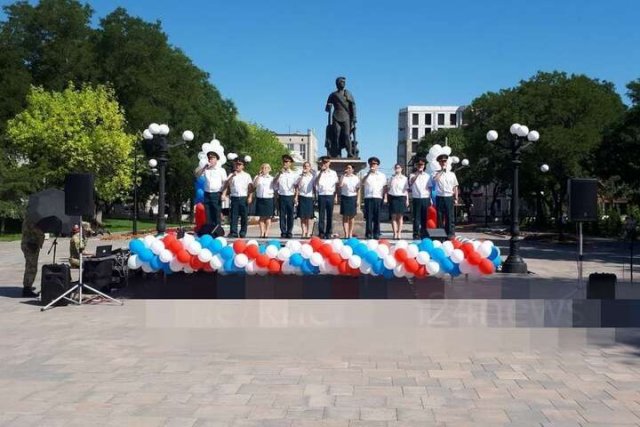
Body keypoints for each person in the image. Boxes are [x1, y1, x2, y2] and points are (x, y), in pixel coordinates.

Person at [325, 76, 357, 158]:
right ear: (337, 84)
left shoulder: (348, 94)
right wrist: (329, 106)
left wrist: (354, 117)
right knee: (337, 135)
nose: (343, 83)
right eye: (341, 82)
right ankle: (337, 153)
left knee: (347, 135)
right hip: (336, 116)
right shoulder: (333, 95)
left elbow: (353, 106)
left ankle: (349, 152)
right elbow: (327, 108)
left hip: (346, 117)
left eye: (344, 82)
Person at [194, 151, 227, 230]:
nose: (210, 160)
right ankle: (209, 230)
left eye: (212, 158)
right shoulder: (206, 169)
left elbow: (225, 183)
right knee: (208, 213)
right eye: (209, 158)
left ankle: (217, 230)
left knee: (216, 213)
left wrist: (224, 194)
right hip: (207, 193)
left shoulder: (221, 170)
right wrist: (204, 167)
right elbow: (197, 175)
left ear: (216, 159)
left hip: (216, 193)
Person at [222, 158, 253, 238]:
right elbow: (226, 185)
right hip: (234, 197)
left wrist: (250, 197)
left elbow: (250, 187)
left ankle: (243, 232)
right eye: (236, 164)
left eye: (239, 165)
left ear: (243, 166)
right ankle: (233, 232)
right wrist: (232, 176)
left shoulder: (247, 175)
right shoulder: (231, 175)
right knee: (233, 216)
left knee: (244, 216)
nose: (237, 166)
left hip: (243, 197)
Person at [433, 153, 459, 238]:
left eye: (445, 161)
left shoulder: (452, 174)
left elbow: (455, 186)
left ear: (447, 162)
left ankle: (450, 234)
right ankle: (440, 236)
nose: (443, 163)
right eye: (441, 161)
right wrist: (441, 171)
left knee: (450, 216)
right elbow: (435, 180)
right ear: (439, 163)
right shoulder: (436, 173)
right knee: (440, 217)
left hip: (449, 196)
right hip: (440, 196)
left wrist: (456, 198)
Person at [361, 157, 387, 239]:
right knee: (368, 216)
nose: (373, 165)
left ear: (377, 165)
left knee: (377, 216)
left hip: (378, 197)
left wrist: (385, 197)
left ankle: (376, 233)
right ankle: (368, 233)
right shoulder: (366, 174)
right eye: (371, 164)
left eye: (375, 164)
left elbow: (385, 187)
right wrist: (369, 173)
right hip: (368, 197)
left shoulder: (382, 175)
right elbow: (362, 182)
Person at [314, 156, 339, 239]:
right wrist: (321, 172)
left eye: (327, 162)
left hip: (330, 195)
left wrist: (335, 196)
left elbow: (336, 185)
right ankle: (321, 232)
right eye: (324, 162)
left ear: (329, 163)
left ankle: (328, 232)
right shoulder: (318, 173)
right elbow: (315, 183)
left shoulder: (333, 173)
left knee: (329, 215)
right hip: (321, 194)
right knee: (321, 215)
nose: (325, 164)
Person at [274, 154, 298, 238]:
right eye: (284, 161)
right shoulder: (279, 173)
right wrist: (279, 174)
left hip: (290, 195)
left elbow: (296, 186)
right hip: (282, 196)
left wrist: (296, 196)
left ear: (290, 163)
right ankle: (283, 232)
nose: (285, 163)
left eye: (287, 161)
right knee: (282, 215)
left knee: (290, 215)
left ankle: (289, 231)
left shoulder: (294, 174)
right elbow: (274, 184)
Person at [20, 217, 44, 297]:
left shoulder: (30, 216)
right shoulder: (31, 218)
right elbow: (36, 230)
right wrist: (42, 234)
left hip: (30, 244)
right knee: (31, 267)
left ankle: (27, 287)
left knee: (31, 266)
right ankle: (27, 289)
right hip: (30, 245)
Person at [409, 157, 432, 239]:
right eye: (418, 164)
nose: (420, 166)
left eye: (422, 164)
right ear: (416, 165)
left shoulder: (427, 176)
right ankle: (416, 234)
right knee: (416, 218)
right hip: (416, 198)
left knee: (425, 217)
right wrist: (418, 173)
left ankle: (424, 234)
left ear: (424, 165)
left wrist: (431, 199)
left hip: (426, 198)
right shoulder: (412, 175)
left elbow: (430, 188)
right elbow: (411, 181)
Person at [386, 164, 409, 240]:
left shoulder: (405, 178)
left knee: (400, 217)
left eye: (398, 167)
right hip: (393, 197)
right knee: (393, 216)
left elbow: (406, 190)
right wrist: (386, 198)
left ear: (401, 169)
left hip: (401, 197)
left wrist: (407, 200)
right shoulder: (391, 178)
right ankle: (394, 233)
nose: (397, 169)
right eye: (396, 168)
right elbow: (388, 188)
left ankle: (399, 233)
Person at [251, 163, 275, 238]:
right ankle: (262, 232)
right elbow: (254, 185)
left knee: (268, 217)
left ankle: (266, 232)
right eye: (263, 168)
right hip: (260, 198)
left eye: (266, 168)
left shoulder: (271, 178)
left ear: (269, 169)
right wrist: (258, 176)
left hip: (268, 198)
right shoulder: (258, 177)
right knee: (261, 217)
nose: (264, 169)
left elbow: (275, 187)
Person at [339, 163, 360, 238]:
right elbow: (340, 185)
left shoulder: (356, 178)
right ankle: (346, 233)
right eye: (347, 168)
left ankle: (350, 233)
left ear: (353, 170)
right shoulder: (343, 177)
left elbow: (358, 189)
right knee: (345, 216)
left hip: (352, 197)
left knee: (351, 216)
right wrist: (343, 175)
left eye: (349, 168)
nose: (348, 169)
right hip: (345, 197)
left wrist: (358, 199)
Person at [295, 161, 315, 238]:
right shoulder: (300, 176)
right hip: (302, 196)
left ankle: (309, 232)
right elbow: (297, 186)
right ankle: (303, 231)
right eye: (305, 166)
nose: (306, 167)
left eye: (307, 166)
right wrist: (296, 197)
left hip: (309, 197)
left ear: (310, 168)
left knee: (309, 217)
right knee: (302, 216)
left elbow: (314, 187)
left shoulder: (312, 177)